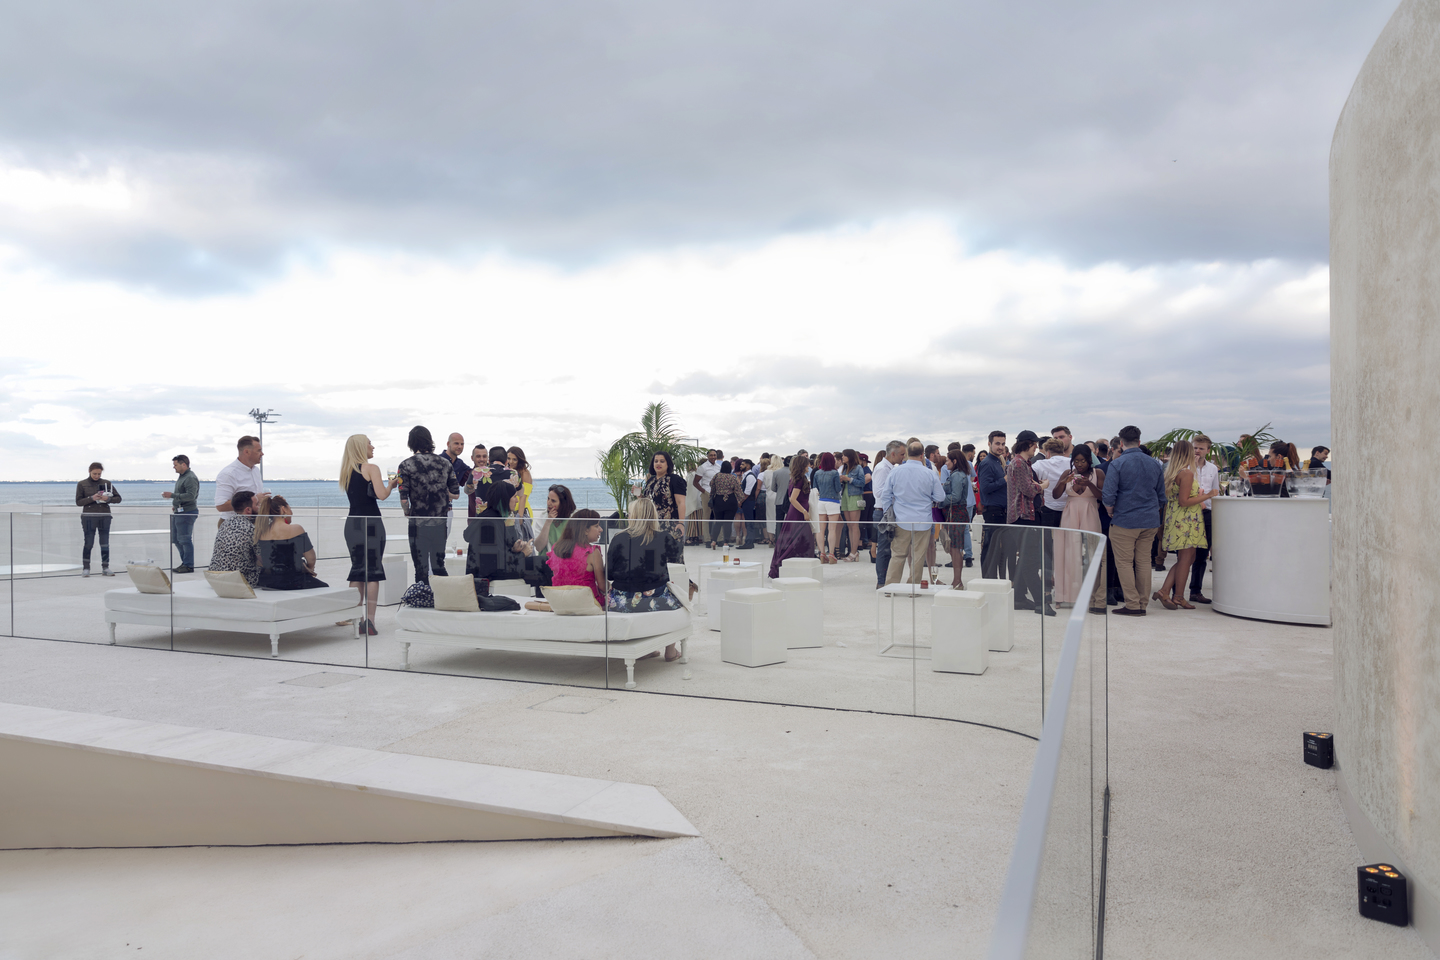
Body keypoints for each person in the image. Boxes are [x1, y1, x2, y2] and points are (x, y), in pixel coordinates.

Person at [606, 499, 685, 661]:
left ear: (634, 516)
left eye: (630, 513)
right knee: (678, 601)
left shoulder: (619, 538)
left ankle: (646, 649)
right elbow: (677, 554)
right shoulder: (662, 537)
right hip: (654, 599)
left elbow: (609, 574)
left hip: (620, 601)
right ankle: (670, 651)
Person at [1101, 425, 1168, 616]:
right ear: (1139, 442)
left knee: (1124, 562)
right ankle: (1142, 603)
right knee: (1144, 562)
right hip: (1149, 519)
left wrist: (1110, 510)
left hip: (1124, 519)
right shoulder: (1154, 463)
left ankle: (1132, 603)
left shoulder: (1118, 464)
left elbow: (1108, 495)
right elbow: (1161, 495)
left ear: (1121, 443)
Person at [340, 434, 398, 635]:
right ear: (360, 447)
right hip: (371, 523)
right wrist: (391, 485)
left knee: (357, 570)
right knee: (372, 571)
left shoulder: (346, 471)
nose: (373, 447)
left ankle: (358, 619)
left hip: (352, 524)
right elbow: (381, 495)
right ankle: (370, 621)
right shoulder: (371, 468)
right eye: (369, 444)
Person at [1154, 439, 1217, 609]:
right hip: (1186, 520)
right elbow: (1184, 501)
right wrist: (1207, 495)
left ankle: (1165, 591)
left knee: (1187, 558)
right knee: (1186, 558)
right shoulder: (1186, 473)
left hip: (1176, 517)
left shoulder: (1172, 472)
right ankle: (1178, 596)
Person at [398, 425, 460, 583]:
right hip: (440, 522)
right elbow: (456, 493)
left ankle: (422, 595)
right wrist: (440, 491)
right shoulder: (445, 463)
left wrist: (407, 511)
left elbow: (404, 498)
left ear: (411, 443)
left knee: (421, 568)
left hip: (417, 522)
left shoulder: (405, 465)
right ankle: (446, 594)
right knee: (438, 566)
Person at [878, 440, 946, 585]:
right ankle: (913, 588)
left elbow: (885, 495)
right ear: (922, 455)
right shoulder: (929, 473)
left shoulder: (895, 471)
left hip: (901, 519)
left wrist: (888, 513)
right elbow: (940, 497)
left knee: (898, 555)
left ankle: (891, 586)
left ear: (907, 454)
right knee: (918, 556)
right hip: (923, 519)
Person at [1055, 446, 1106, 611]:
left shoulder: (1098, 473)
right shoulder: (1067, 473)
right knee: (1068, 553)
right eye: (1076, 461)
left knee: (1092, 553)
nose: (1079, 464)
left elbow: (1103, 496)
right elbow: (1055, 495)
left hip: (1090, 512)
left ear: (1089, 460)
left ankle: (1091, 596)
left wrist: (1089, 484)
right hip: (1070, 513)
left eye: (1082, 461)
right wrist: (1063, 482)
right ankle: (1066, 595)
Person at [1005, 432, 1051, 612]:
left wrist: (1037, 486)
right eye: (1034, 444)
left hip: (1024, 517)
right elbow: (1028, 490)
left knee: (1026, 560)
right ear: (1027, 444)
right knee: (1030, 562)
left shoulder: (1022, 463)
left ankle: (1019, 598)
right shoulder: (1018, 463)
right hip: (1023, 517)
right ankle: (1041, 602)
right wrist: (1042, 486)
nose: (1036, 447)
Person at [465, 480, 534, 585]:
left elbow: (495, 553)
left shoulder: (489, 516)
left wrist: (513, 549)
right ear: (505, 499)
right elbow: (497, 561)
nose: (517, 501)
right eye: (514, 497)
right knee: (542, 565)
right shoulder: (491, 522)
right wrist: (523, 554)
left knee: (542, 563)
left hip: (490, 571)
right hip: (489, 575)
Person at [253, 495, 328, 590]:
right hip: (293, 580)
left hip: (268, 581)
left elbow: (261, 559)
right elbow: (311, 558)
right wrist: (309, 570)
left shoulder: (260, 532)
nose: (291, 513)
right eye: (290, 509)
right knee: (325, 588)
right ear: (283, 509)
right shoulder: (296, 529)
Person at [770, 456, 819, 578]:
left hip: (797, 512)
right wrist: (804, 511)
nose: (809, 466)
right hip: (798, 513)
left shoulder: (796, 479)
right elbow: (793, 499)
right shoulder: (800, 480)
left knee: (796, 539)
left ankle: (792, 567)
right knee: (800, 539)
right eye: (807, 464)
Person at [546, 509, 606, 607]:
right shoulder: (592, 552)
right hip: (588, 604)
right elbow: (603, 587)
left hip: (560, 603)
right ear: (585, 530)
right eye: (596, 526)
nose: (601, 529)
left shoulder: (557, 548)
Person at [1187, 435, 1220, 604]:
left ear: (1208, 450)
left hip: (1206, 512)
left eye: (1201, 448)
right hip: (1188, 512)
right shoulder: (1185, 466)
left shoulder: (1213, 468)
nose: (1198, 451)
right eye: (1195, 447)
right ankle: (1176, 592)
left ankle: (1195, 590)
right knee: (1185, 553)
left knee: (1202, 553)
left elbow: (1215, 491)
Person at [75, 462, 121, 577]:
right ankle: (86, 568)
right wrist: (92, 498)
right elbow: (78, 502)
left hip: (104, 516)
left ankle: (105, 567)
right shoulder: (82, 484)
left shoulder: (107, 483)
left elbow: (118, 498)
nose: (97, 476)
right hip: (88, 517)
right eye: (94, 474)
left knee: (104, 543)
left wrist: (108, 499)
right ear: (89, 471)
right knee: (88, 543)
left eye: (99, 474)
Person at [870, 441, 905, 587]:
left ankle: (886, 581)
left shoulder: (890, 468)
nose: (904, 457)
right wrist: (898, 491)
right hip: (883, 512)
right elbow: (878, 492)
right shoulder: (882, 468)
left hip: (888, 511)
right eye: (902, 454)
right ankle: (882, 582)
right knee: (884, 549)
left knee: (889, 549)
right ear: (893, 454)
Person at [210, 490, 260, 585]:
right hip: (238, 580)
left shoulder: (225, 523)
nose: (260, 507)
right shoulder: (251, 529)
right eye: (257, 504)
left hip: (215, 577)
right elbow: (261, 558)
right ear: (248, 510)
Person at [978, 431, 1009, 580]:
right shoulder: (987, 463)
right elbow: (985, 488)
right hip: (993, 512)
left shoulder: (998, 461)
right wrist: (1005, 480)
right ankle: (988, 581)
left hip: (1001, 511)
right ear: (989, 444)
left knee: (999, 551)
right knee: (991, 549)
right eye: (997, 443)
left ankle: (996, 581)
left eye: (1003, 444)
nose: (1000, 447)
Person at [941, 448, 975, 582]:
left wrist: (939, 499)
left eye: (948, 460)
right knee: (955, 548)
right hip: (957, 513)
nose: (946, 463)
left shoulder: (956, 476)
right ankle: (957, 580)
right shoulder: (959, 474)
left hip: (956, 513)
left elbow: (955, 497)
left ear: (954, 461)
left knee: (955, 548)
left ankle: (957, 581)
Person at [162, 454, 199, 573]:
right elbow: (184, 494)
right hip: (179, 512)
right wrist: (176, 505)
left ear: (184, 465)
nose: (174, 467)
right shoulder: (183, 477)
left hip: (187, 513)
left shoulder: (190, 478)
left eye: (175, 465)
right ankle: (185, 563)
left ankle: (188, 565)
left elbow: (191, 496)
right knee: (176, 539)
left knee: (184, 539)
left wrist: (172, 495)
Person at [642, 450, 689, 543]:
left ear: (668, 464)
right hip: (650, 526)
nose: (658, 463)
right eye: (656, 461)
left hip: (670, 526)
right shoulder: (651, 480)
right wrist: (639, 496)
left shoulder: (675, 479)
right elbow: (648, 501)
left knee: (669, 551)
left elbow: (681, 503)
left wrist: (681, 523)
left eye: (662, 461)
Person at [215, 436, 266, 521]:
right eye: (259, 450)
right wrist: (255, 500)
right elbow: (221, 505)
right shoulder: (228, 474)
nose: (262, 453)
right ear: (247, 452)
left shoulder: (256, 470)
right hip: (233, 524)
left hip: (254, 521)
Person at [1031, 438, 1071, 527]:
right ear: (1063, 452)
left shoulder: (1040, 464)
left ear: (1048, 453)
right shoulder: (1072, 463)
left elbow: (1028, 476)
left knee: (1047, 535)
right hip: (1068, 507)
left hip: (1047, 506)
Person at [811, 453, 843, 563]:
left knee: (820, 529)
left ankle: (822, 553)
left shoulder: (817, 473)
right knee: (832, 529)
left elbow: (815, 488)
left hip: (821, 501)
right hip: (833, 501)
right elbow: (838, 488)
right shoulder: (834, 473)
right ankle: (831, 554)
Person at [835, 449, 866, 563]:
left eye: (844, 456)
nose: (842, 457)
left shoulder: (858, 468)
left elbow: (862, 482)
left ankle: (854, 551)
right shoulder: (844, 468)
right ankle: (853, 551)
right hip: (845, 496)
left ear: (850, 456)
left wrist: (848, 479)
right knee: (849, 525)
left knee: (854, 525)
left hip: (854, 496)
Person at [440, 432, 470, 540]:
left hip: (448, 510)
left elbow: (473, 474)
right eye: (456, 443)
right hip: (433, 510)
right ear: (448, 444)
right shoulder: (438, 460)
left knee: (442, 543)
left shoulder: (460, 464)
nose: (460, 446)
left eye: (462, 444)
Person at [708, 461, 742, 548]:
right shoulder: (732, 477)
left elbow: (711, 485)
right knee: (728, 523)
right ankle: (726, 542)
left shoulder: (717, 476)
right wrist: (741, 499)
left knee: (718, 522)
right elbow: (738, 489)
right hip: (730, 501)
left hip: (718, 501)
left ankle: (714, 541)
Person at [534, 484, 577, 553]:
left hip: (566, 557)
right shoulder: (543, 516)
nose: (549, 503)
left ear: (563, 503)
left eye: (553, 501)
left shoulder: (573, 518)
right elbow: (538, 547)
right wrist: (548, 522)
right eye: (548, 499)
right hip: (546, 558)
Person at [691, 449, 721, 544]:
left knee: (718, 517)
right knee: (706, 517)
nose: (713, 457)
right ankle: (707, 539)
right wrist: (704, 491)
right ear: (707, 456)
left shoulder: (719, 467)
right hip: (707, 493)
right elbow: (695, 482)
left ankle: (719, 539)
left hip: (717, 493)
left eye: (714, 455)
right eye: (711, 455)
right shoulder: (703, 467)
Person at [737, 459, 760, 549]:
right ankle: (749, 541)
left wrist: (740, 501)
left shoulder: (750, 476)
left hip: (748, 502)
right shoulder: (746, 475)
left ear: (748, 466)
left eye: (743, 464)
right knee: (747, 521)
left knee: (749, 522)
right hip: (747, 501)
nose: (741, 466)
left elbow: (747, 492)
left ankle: (749, 542)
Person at [463, 445, 490, 517]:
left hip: (491, 518)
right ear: (472, 458)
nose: (481, 459)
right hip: (473, 517)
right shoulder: (468, 473)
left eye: (484, 456)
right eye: (478, 456)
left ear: (488, 458)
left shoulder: (494, 474)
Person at [507, 447, 534, 517]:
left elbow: (523, 497)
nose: (511, 462)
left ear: (519, 461)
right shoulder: (506, 472)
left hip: (522, 512)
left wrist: (520, 517)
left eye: (514, 459)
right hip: (509, 512)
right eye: (508, 458)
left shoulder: (524, 473)